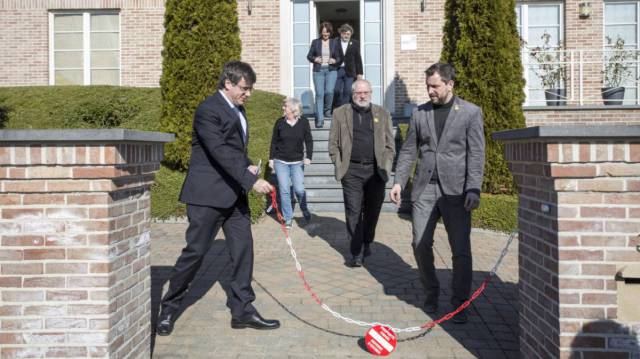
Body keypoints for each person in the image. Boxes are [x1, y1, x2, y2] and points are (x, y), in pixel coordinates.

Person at [156, 61, 280, 336]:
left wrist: (247, 166)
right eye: (244, 88)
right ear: (228, 83)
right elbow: (219, 151)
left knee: (243, 250)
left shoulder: (239, 110)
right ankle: (168, 308)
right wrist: (250, 180)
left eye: (250, 89)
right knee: (196, 253)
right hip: (207, 196)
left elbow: (234, 152)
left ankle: (243, 311)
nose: (248, 94)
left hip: (234, 197)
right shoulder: (208, 110)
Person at [390, 62, 485, 324]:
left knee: (461, 250)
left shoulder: (470, 112)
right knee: (419, 244)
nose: (430, 91)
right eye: (427, 86)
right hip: (425, 189)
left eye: (435, 86)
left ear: (449, 84)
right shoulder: (420, 114)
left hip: (457, 192)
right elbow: (409, 150)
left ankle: (459, 303)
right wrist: (399, 181)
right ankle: (431, 292)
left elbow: (476, 154)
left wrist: (473, 188)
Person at [329, 79, 395, 268]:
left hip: (376, 171)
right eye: (359, 92)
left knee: (372, 212)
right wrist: (339, 163)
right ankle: (356, 252)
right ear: (352, 94)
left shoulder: (382, 114)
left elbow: (390, 144)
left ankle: (367, 241)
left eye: (366, 92)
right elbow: (333, 143)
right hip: (352, 171)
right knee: (353, 211)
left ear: (371, 93)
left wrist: (386, 166)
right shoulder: (340, 113)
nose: (362, 95)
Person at [268, 97, 313, 229]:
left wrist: (309, 156)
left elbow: (309, 140)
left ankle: (304, 208)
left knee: (299, 189)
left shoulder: (303, 122)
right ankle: (288, 218)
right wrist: (271, 159)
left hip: (297, 162)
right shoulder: (280, 122)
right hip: (280, 161)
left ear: (293, 109)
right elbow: (274, 142)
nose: (283, 108)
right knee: (284, 190)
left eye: (285, 106)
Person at [307, 21, 343, 129]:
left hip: (331, 70)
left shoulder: (335, 43)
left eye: (327, 33)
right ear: (320, 32)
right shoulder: (315, 42)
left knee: (329, 91)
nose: (325, 35)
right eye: (323, 33)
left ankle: (327, 110)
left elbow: (340, 58)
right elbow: (309, 56)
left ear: (330, 32)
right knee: (319, 94)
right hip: (318, 71)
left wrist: (335, 60)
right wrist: (315, 59)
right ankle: (320, 119)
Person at [334, 23, 363, 108]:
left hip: (350, 70)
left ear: (350, 34)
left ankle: (344, 109)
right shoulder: (335, 42)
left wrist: (359, 73)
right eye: (344, 33)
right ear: (341, 33)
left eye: (348, 34)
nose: (346, 36)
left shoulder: (355, 43)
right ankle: (337, 107)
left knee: (347, 90)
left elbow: (358, 59)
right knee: (336, 90)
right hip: (337, 69)